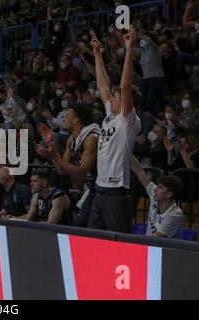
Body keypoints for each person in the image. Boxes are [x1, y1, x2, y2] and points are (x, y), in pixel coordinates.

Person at [87, 26, 142, 233]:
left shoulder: (127, 120)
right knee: (93, 240)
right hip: (100, 189)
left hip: (117, 192)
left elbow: (125, 86)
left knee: (119, 244)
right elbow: (102, 86)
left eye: (116, 97)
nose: (112, 98)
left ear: (126, 102)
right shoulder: (110, 115)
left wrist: (129, 50)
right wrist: (97, 54)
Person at [36, 102, 100, 227]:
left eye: (66, 116)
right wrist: (51, 146)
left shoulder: (91, 139)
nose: (63, 118)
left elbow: (82, 171)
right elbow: (61, 169)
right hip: (93, 188)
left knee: (93, 227)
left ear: (76, 120)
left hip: (105, 189)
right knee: (81, 223)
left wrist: (54, 155)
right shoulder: (71, 139)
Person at [131, 156, 183, 239]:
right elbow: (139, 171)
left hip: (163, 250)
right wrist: (125, 149)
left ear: (169, 194)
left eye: (160, 187)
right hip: (150, 248)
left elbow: (156, 240)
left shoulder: (174, 215)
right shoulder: (156, 196)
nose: (155, 189)